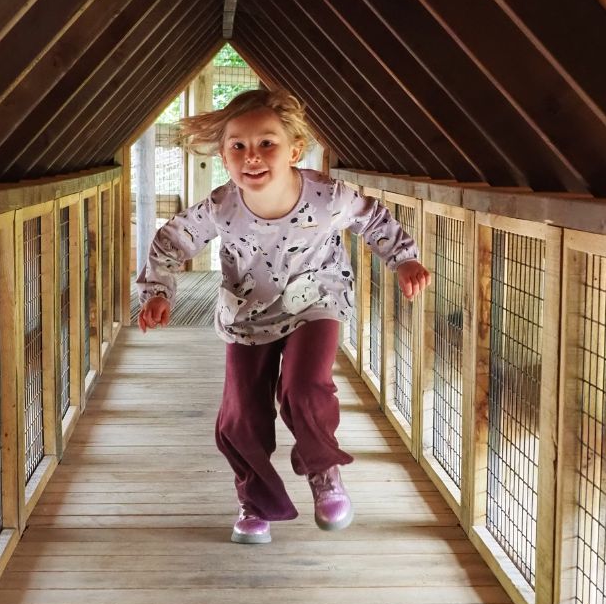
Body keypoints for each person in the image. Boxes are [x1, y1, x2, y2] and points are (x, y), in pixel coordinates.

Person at [136, 86, 431, 545]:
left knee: (303, 385)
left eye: (266, 144)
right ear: (224, 156)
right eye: (238, 146)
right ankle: (256, 504)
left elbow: (373, 220)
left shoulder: (327, 197)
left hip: (317, 301)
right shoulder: (221, 207)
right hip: (248, 316)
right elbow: (171, 242)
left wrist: (404, 259)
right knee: (240, 417)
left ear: (294, 150)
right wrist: (158, 293)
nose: (252, 157)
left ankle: (323, 472)